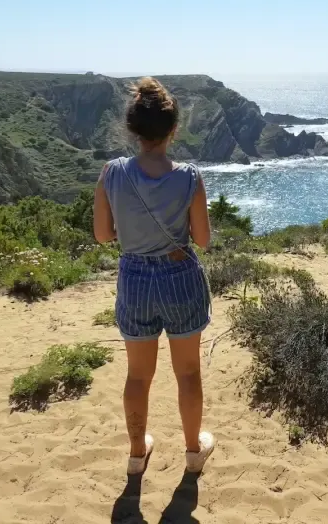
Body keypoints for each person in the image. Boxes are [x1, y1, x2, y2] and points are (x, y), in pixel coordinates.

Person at [93, 77, 216, 475]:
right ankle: (193, 451)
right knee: (189, 372)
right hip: (180, 273)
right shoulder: (189, 177)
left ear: (133, 129)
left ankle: (135, 454)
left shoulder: (111, 173)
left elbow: (101, 235)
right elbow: (203, 239)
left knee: (138, 375)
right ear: (173, 129)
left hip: (134, 278)